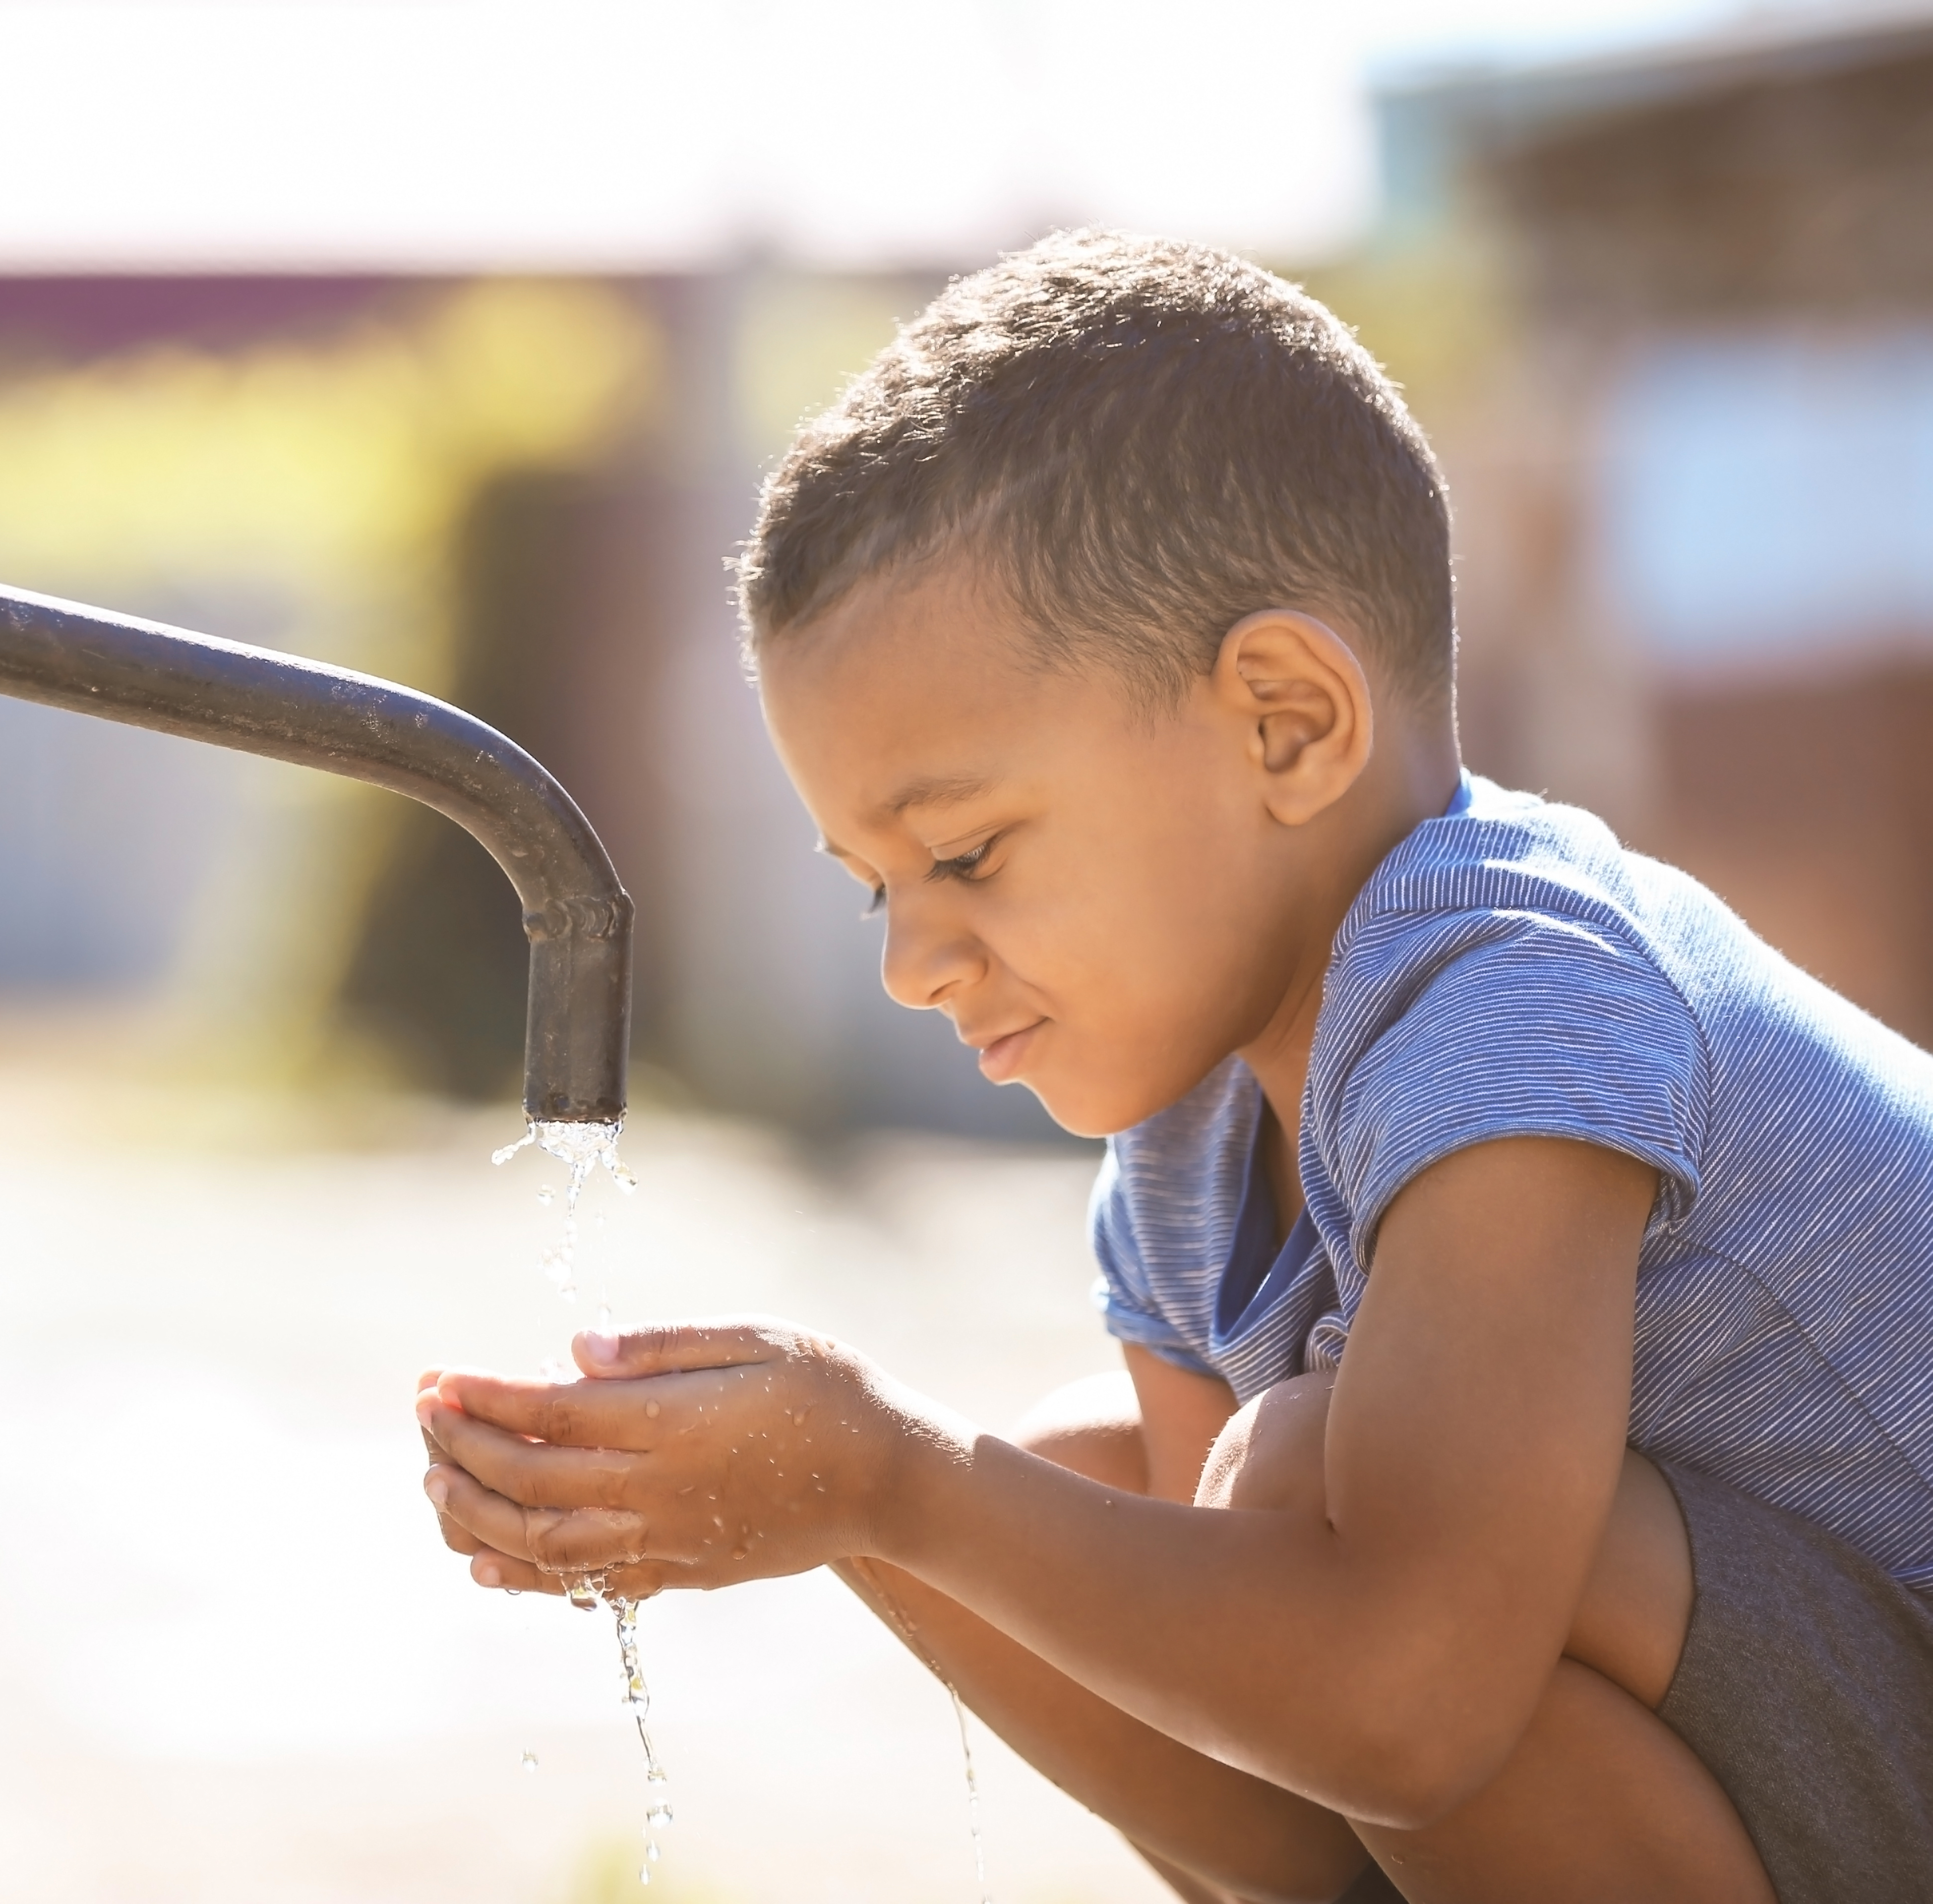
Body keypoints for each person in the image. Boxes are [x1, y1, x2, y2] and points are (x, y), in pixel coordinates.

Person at [413, 231, 1933, 1904]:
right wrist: (837, 1510)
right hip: (1802, 1741)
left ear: (1286, 723)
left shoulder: (1516, 998)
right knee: (1097, 1491)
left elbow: (1409, 1711)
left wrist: (889, 1477)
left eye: (969, 855)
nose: (911, 963)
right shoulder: (1191, 1140)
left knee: (1273, 1485)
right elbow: (1295, 1819)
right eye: (876, 886)